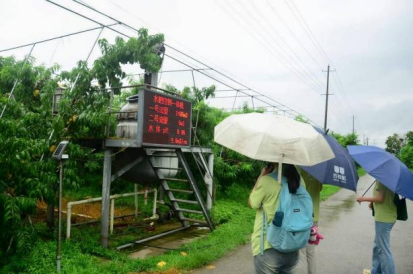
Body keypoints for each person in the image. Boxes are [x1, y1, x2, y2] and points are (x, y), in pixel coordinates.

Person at [249, 163, 302, 274]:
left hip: (268, 247)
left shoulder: (266, 181)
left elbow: (252, 204)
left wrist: (261, 176)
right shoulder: (300, 182)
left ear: (273, 162)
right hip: (292, 246)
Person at [356, 181, 397, 274]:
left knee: (383, 249)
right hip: (389, 215)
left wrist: (362, 199)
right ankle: (376, 271)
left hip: (383, 218)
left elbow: (380, 198)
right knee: (377, 245)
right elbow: (385, 197)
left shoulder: (381, 180)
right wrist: (372, 202)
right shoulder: (388, 178)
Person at [296, 171, 322, 274]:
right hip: (314, 216)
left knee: (300, 253)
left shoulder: (299, 168)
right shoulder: (320, 172)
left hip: (301, 216)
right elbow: (319, 188)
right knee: (310, 252)